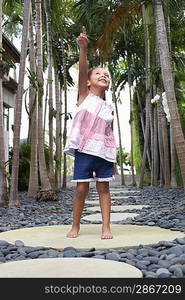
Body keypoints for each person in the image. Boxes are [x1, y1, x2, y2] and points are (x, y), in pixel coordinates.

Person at [64, 29, 117, 239]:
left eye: (106, 75)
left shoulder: (108, 107)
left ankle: (106, 227)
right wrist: (83, 48)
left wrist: (113, 158)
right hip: (85, 151)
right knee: (81, 190)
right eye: (98, 74)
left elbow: (109, 133)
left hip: (103, 153)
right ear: (88, 82)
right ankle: (75, 225)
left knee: (104, 188)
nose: (103, 75)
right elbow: (83, 69)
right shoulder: (84, 96)